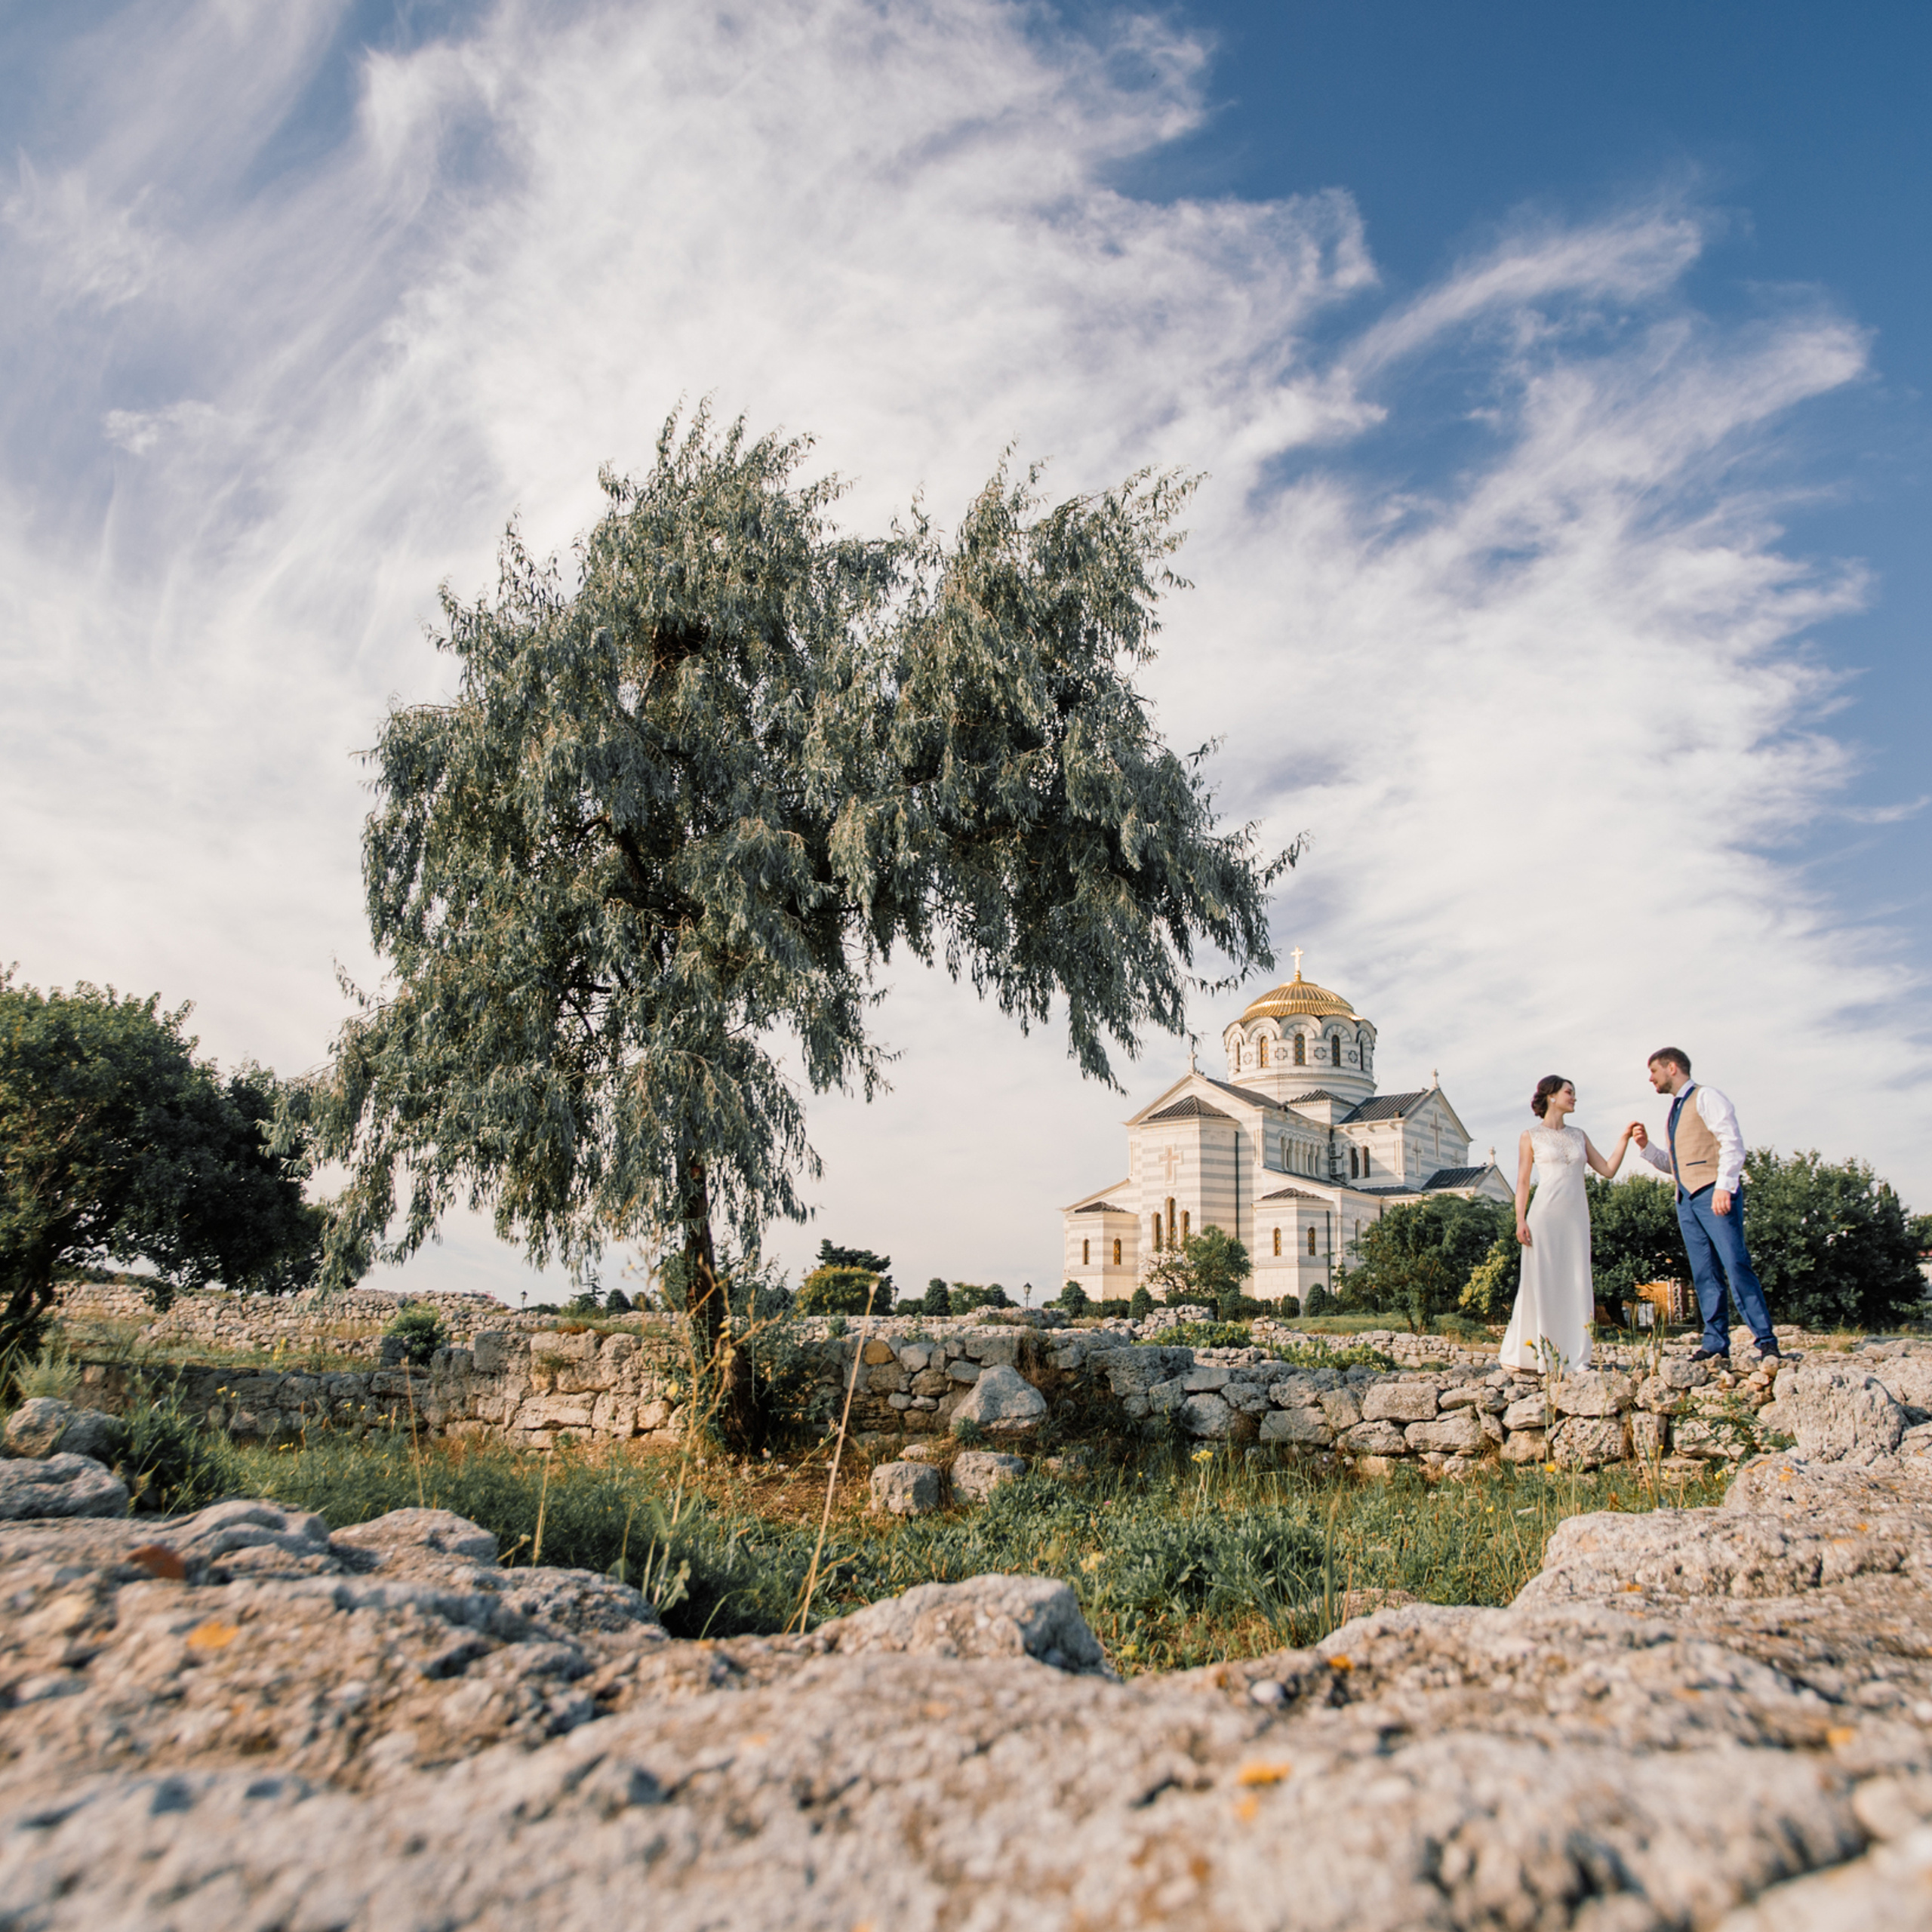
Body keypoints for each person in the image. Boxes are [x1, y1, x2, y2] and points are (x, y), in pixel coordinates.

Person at [1632, 1048, 1778, 1365]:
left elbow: (1731, 1142)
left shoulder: (1706, 1097)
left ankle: (1765, 1340)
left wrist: (1725, 1185)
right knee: (1704, 1274)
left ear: (1672, 1068)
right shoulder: (1674, 1110)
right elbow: (1677, 1165)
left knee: (1736, 1265)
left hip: (1714, 1193)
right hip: (1685, 1200)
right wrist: (1646, 1148)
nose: (1651, 1078)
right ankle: (1715, 1342)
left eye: (1654, 1071)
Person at [1498, 1075, 1635, 1374]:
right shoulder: (1530, 1136)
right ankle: (1538, 1356)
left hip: (1575, 1221)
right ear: (1551, 1096)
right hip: (1543, 1217)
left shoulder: (1579, 1135)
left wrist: (1624, 1139)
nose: (1574, 1097)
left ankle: (1575, 1355)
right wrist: (1520, 1219)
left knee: (1575, 1281)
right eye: (1569, 1092)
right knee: (1542, 1282)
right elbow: (1522, 1181)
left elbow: (1608, 1170)